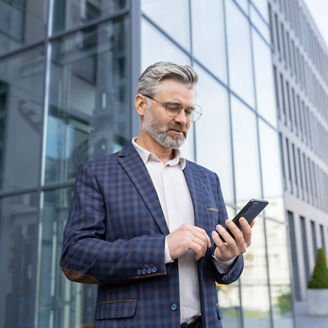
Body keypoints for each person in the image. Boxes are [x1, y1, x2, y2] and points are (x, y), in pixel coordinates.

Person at [60, 62, 253, 328]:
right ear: (141, 105)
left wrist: (227, 256)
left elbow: (224, 275)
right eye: (173, 107)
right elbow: (75, 257)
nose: (182, 120)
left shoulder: (207, 179)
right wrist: (164, 248)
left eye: (189, 111)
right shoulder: (99, 174)